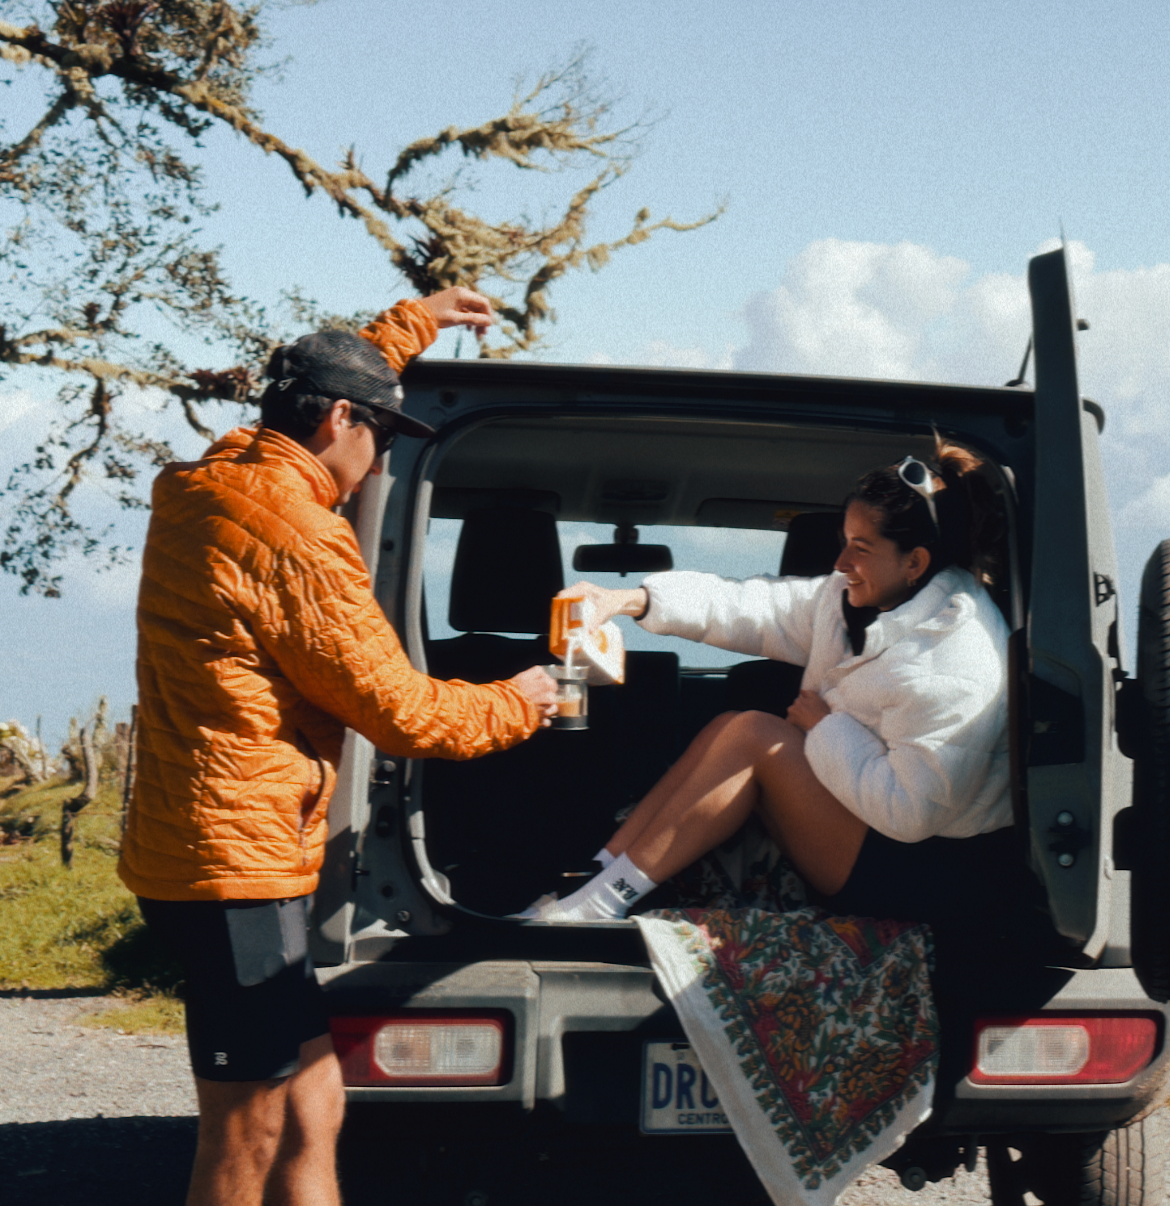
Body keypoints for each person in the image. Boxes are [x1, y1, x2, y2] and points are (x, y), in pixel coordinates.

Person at [118, 288, 558, 1206]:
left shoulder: (219, 482)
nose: (380, 454)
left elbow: (315, 379)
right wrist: (523, 701)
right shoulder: (298, 537)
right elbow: (403, 715)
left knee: (315, 1095)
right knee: (247, 1127)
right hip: (235, 865)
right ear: (338, 420)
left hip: (209, 846)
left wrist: (409, 325)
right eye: (381, 433)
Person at [527, 438, 1015, 929]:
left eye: (860, 549)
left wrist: (824, 729)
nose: (841, 562)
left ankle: (601, 904)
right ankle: (591, 880)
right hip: (871, 832)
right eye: (844, 540)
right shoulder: (848, 601)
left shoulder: (954, 656)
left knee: (755, 736)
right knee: (730, 725)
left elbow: (910, 814)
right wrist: (625, 600)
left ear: (915, 563)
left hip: (921, 874)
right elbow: (745, 608)